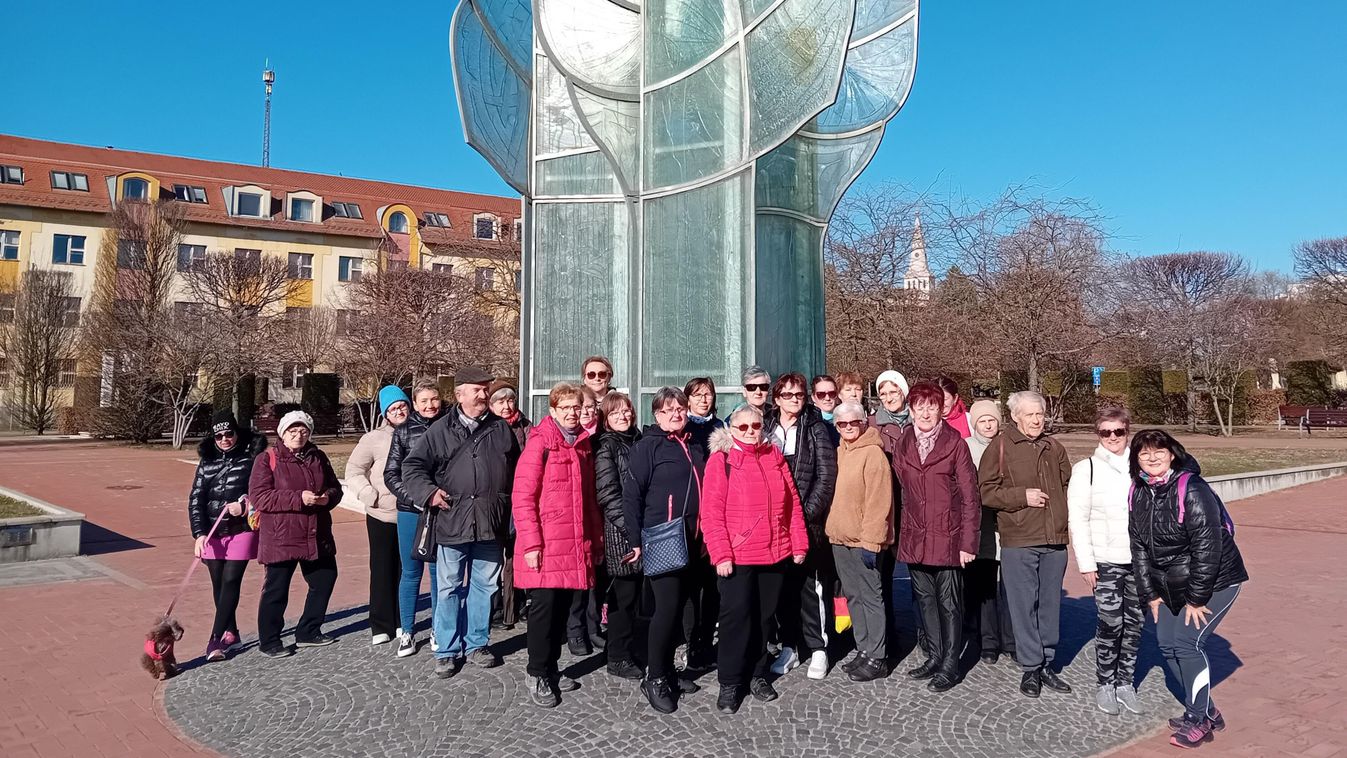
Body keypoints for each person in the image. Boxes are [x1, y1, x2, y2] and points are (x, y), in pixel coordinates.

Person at [1129, 430, 1247, 749]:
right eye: (1144, 453)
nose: (1152, 458)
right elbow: (1138, 547)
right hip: (1171, 584)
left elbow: (1208, 548)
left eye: (1159, 451)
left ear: (1172, 454)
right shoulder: (1138, 490)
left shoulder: (1191, 488)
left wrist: (1196, 599)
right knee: (1167, 645)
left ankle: (1197, 720)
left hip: (1216, 580)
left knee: (1186, 643)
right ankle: (1207, 711)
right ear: (1136, 460)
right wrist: (1150, 594)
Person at [401, 366, 521, 680]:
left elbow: (516, 470)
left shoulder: (500, 428)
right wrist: (429, 493)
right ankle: (447, 650)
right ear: (459, 394)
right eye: (477, 389)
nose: (483, 394)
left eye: (485, 389)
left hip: (490, 522)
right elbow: (412, 467)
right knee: (449, 587)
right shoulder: (439, 429)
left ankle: (477, 643)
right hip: (452, 521)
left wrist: (509, 507)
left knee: (485, 586)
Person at [701, 406, 809, 713]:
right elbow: (711, 512)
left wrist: (799, 542)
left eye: (756, 426)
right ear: (732, 429)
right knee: (735, 619)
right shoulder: (721, 461)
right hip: (737, 556)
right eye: (743, 427)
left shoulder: (774, 456)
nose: (750, 431)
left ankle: (758, 673)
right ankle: (730, 681)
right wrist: (721, 553)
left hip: (774, 553)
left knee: (764, 618)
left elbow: (792, 504)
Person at [511, 382, 604, 707]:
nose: (572, 413)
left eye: (576, 407)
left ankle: (550, 668)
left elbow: (589, 501)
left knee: (562, 611)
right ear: (552, 410)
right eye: (565, 408)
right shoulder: (540, 443)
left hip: (573, 544)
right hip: (546, 545)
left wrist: (595, 540)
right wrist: (531, 544)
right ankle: (537, 672)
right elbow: (523, 497)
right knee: (543, 612)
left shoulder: (582, 444)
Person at [977, 391, 1073, 698]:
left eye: (1039, 414)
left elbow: (1066, 484)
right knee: (1022, 607)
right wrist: (1022, 496)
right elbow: (986, 491)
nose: (1036, 420)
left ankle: (1046, 662)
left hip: (1054, 540)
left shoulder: (1054, 447)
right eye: (1029, 414)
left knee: (1049, 605)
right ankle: (1031, 666)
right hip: (1019, 539)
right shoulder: (1000, 446)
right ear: (1016, 417)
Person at [892, 382, 980, 692]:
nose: (926, 413)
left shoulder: (955, 444)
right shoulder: (904, 443)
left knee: (949, 603)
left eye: (932, 406)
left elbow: (970, 497)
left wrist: (968, 543)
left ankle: (950, 665)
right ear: (911, 410)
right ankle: (934, 655)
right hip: (915, 535)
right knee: (925, 601)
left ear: (941, 409)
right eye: (920, 407)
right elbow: (900, 490)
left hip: (948, 537)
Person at [623, 386, 706, 713]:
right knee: (666, 610)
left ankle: (669, 670)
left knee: (682, 609)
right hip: (663, 538)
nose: (675, 414)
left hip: (693, 540)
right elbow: (632, 497)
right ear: (657, 415)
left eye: (680, 408)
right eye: (667, 410)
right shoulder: (648, 447)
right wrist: (635, 540)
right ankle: (654, 676)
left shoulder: (694, 443)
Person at [764, 372, 839, 680]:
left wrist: (806, 515)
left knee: (811, 586)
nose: (794, 400)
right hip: (774, 522)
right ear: (777, 398)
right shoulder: (766, 426)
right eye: (787, 395)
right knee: (783, 587)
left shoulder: (815, 427)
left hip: (807, 520)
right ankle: (790, 645)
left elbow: (826, 477)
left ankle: (819, 647)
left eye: (798, 394)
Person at [1068, 406, 1142, 717]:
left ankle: (1126, 682)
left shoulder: (1141, 465)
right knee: (1111, 622)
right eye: (1105, 432)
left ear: (1128, 432)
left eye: (1118, 431)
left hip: (1139, 561)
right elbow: (1078, 519)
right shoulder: (1086, 469)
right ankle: (1105, 683)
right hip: (1105, 559)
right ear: (1097, 434)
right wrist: (1086, 563)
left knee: (1135, 624)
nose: (1112, 437)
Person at [250, 411, 342, 657]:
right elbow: (260, 497)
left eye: (303, 431)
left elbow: (335, 487)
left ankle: (308, 631)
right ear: (282, 433)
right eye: (293, 431)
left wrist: (328, 498)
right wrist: (298, 498)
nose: (298, 436)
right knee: (277, 589)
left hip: (316, 532)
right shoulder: (267, 459)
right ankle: (269, 640)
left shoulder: (318, 457)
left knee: (325, 579)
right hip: (281, 535)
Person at [188, 410, 266, 661]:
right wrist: (199, 534)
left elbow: (262, 491)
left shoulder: (252, 456)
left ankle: (215, 639)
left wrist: (244, 505)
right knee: (218, 585)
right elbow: (196, 499)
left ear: (237, 432)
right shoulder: (207, 461)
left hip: (241, 530)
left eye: (228, 434)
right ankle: (232, 632)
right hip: (212, 532)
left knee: (231, 581)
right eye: (218, 436)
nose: (224, 439)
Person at [825, 402, 894, 683]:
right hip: (840, 538)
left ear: (863, 422)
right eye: (842, 424)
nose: (848, 427)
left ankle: (878, 656)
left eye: (853, 422)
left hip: (864, 539)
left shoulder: (873, 454)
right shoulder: (840, 451)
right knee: (853, 596)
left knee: (871, 597)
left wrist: (872, 541)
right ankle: (863, 648)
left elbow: (880, 502)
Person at [384, 378, 444, 658]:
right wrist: (416, 498)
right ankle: (407, 631)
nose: (430, 405)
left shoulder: (450, 425)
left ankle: (438, 629)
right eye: (424, 401)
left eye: (434, 399)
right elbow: (391, 473)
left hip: (443, 509)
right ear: (415, 405)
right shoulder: (404, 431)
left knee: (439, 573)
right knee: (410, 573)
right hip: (411, 510)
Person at [345, 386, 410, 647]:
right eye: (393, 408)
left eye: (402, 406)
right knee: (382, 569)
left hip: (410, 513)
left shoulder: (419, 432)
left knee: (407, 570)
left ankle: (402, 620)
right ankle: (381, 624)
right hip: (381, 513)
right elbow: (353, 470)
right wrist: (369, 494)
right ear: (385, 414)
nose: (399, 411)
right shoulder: (373, 439)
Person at [594, 392, 644, 680]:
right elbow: (608, 494)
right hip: (621, 531)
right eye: (615, 413)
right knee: (623, 597)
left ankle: (626, 647)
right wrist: (631, 529)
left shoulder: (638, 440)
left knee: (636, 596)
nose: (622, 416)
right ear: (606, 419)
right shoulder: (607, 446)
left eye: (626, 411)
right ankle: (617, 657)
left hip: (641, 528)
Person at [962, 399, 1015, 665]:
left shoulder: (1008, 446)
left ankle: (1011, 640)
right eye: (982, 421)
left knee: (1010, 588)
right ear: (975, 424)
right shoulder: (967, 447)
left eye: (991, 420)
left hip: (1007, 525)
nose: (987, 425)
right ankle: (988, 641)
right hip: (981, 527)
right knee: (984, 587)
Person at [680, 375, 722, 672]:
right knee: (689, 585)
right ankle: (689, 641)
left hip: (716, 515)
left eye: (707, 394)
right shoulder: (683, 429)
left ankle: (706, 639)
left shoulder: (721, 428)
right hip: (689, 517)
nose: (703, 399)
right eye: (697, 395)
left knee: (712, 584)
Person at [489, 380, 531, 630]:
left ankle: (515, 607)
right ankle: (495, 608)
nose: (506, 406)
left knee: (515, 556)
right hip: (495, 499)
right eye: (500, 402)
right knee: (492, 557)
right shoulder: (487, 427)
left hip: (519, 497)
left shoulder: (525, 426)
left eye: (510, 400)